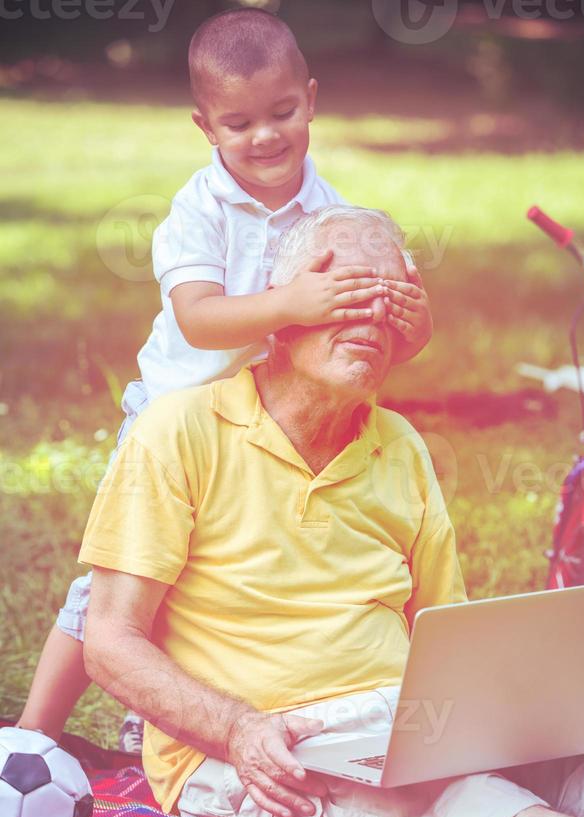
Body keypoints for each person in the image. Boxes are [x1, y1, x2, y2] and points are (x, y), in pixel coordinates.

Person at [79, 205, 584, 817]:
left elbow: (447, 628)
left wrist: (504, 717)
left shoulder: (401, 445)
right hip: (261, 753)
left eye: (393, 303)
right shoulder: (177, 433)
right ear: (283, 315)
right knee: (460, 806)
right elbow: (108, 639)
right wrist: (238, 730)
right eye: (348, 296)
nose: (373, 320)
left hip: (397, 723)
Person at [16, 9, 432, 751]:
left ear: (310, 98)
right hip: (174, 420)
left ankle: (166, 714)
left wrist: (410, 317)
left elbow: (377, 335)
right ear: (205, 128)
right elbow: (199, 319)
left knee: (226, 576)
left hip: (268, 421)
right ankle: (27, 742)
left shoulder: (333, 214)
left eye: (282, 112)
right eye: (239, 124)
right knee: (115, 587)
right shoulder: (194, 212)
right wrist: (291, 303)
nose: (265, 136)